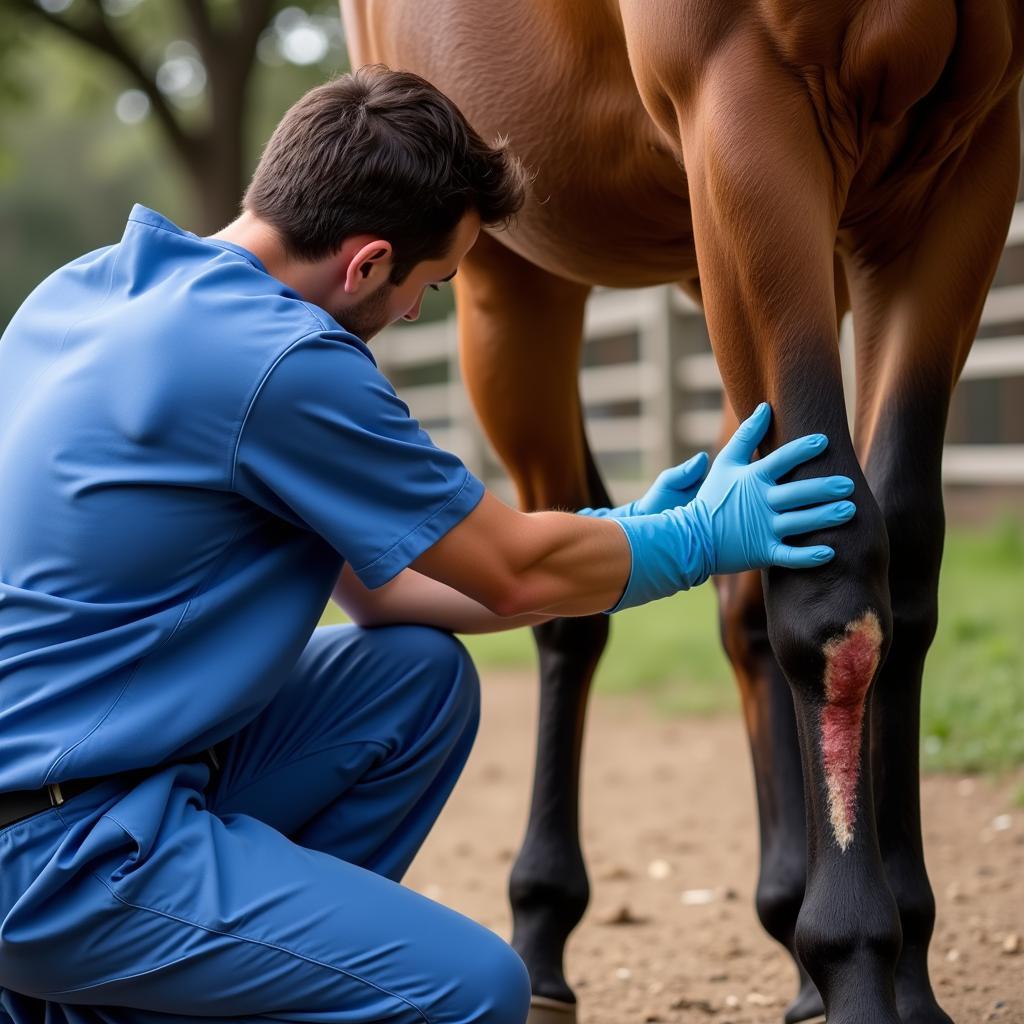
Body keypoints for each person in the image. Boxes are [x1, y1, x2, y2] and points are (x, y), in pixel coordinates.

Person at [0, 65, 857, 1024]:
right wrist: (699, 541)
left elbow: (393, 592)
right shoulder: (281, 361)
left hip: (84, 787)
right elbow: (512, 569)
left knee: (412, 677)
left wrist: (624, 532)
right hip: (63, 856)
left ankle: (169, 986)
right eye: (431, 285)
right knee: (470, 992)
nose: (416, 312)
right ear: (367, 264)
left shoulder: (87, 289)